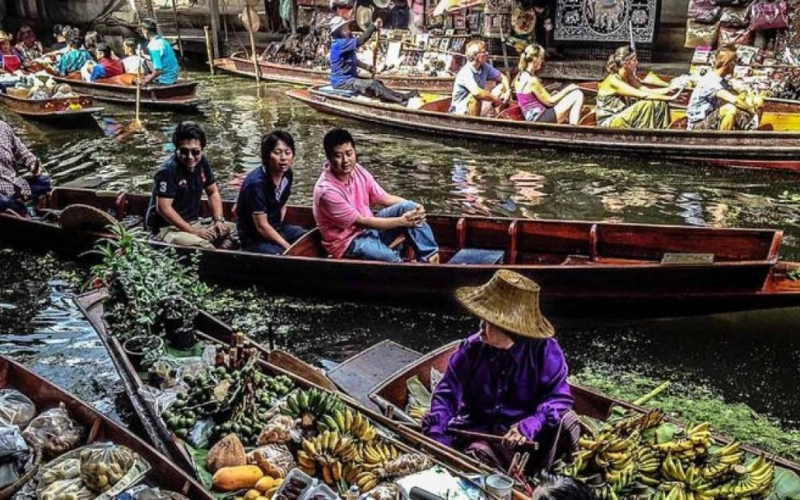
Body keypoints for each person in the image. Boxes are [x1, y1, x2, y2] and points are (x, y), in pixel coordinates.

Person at [421, 270, 574, 472]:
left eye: (489, 323)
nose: (481, 327)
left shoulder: (544, 351)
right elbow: (448, 392)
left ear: (510, 329)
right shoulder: (472, 349)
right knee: (478, 456)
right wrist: (437, 431)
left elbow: (559, 398)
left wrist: (532, 422)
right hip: (480, 430)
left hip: (526, 435)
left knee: (570, 424)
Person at [312, 128, 439, 262]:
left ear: (354, 152)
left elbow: (384, 198)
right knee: (390, 259)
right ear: (329, 157)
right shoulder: (327, 191)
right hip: (348, 242)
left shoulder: (358, 170)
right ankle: (404, 265)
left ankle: (430, 257)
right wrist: (401, 221)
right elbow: (362, 222)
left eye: (349, 153)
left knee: (409, 207)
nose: (345, 161)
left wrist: (416, 208)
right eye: (338, 156)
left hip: (370, 228)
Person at [145, 121, 235, 249]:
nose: (190, 157)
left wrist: (218, 220)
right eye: (184, 151)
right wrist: (193, 231)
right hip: (167, 228)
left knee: (240, 229)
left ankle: (224, 248)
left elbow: (212, 192)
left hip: (193, 222)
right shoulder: (167, 171)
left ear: (202, 149)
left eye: (196, 152)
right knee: (204, 247)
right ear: (176, 148)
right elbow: (164, 208)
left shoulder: (202, 162)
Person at [236, 130, 307, 255]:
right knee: (280, 253)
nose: (283, 158)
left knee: (303, 235)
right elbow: (261, 226)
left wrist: (278, 230)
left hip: (276, 228)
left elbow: (282, 203)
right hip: (254, 238)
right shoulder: (256, 184)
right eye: (277, 153)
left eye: (287, 152)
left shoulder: (287, 174)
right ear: (267, 156)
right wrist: (287, 246)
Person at [328, 17, 416, 104]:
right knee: (372, 84)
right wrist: (373, 26)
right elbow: (361, 41)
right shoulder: (339, 44)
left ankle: (396, 97)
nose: (348, 30)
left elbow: (354, 60)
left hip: (350, 78)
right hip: (342, 82)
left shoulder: (344, 43)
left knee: (378, 83)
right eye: (345, 28)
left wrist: (368, 68)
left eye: (347, 27)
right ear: (338, 32)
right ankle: (401, 100)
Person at [595, 46, 682, 129]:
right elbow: (644, 95)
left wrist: (668, 90)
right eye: (634, 60)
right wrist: (670, 98)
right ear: (625, 63)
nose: (637, 63)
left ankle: (659, 133)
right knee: (646, 104)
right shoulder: (613, 80)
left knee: (660, 103)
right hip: (609, 121)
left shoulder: (628, 76)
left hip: (622, 115)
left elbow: (645, 90)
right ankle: (644, 135)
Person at [686, 45, 759, 131]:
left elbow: (738, 96)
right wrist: (752, 111)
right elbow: (734, 100)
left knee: (756, 100)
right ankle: (722, 141)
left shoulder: (722, 81)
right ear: (728, 64)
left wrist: (750, 98)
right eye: (735, 62)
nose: (736, 65)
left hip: (712, 118)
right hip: (698, 125)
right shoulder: (710, 80)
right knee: (730, 109)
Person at [514, 44, 584, 124]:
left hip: (533, 118)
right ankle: (573, 128)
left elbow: (530, 98)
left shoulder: (518, 77)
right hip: (541, 118)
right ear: (535, 59)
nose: (542, 61)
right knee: (577, 94)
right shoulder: (532, 81)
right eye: (541, 58)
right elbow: (550, 102)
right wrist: (569, 88)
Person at [0, 120, 51, 216]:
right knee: (3, 202)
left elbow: (24, 154)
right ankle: (25, 212)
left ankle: (21, 208)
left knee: (44, 181)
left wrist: (32, 165)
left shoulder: (3, 127)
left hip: (11, 184)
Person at [449, 39, 511, 116]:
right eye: (484, 52)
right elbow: (477, 93)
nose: (487, 54)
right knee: (475, 97)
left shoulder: (484, 66)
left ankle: (497, 115)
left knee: (502, 87)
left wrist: (508, 91)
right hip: (460, 110)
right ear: (476, 56)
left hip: (479, 105)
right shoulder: (466, 72)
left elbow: (502, 77)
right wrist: (495, 99)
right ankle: (474, 124)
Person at [140, 19, 179, 85]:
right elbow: (160, 58)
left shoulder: (154, 46)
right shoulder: (163, 41)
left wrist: (147, 80)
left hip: (166, 80)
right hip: (173, 76)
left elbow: (158, 70)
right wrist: (144, 56)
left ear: (146, 31)